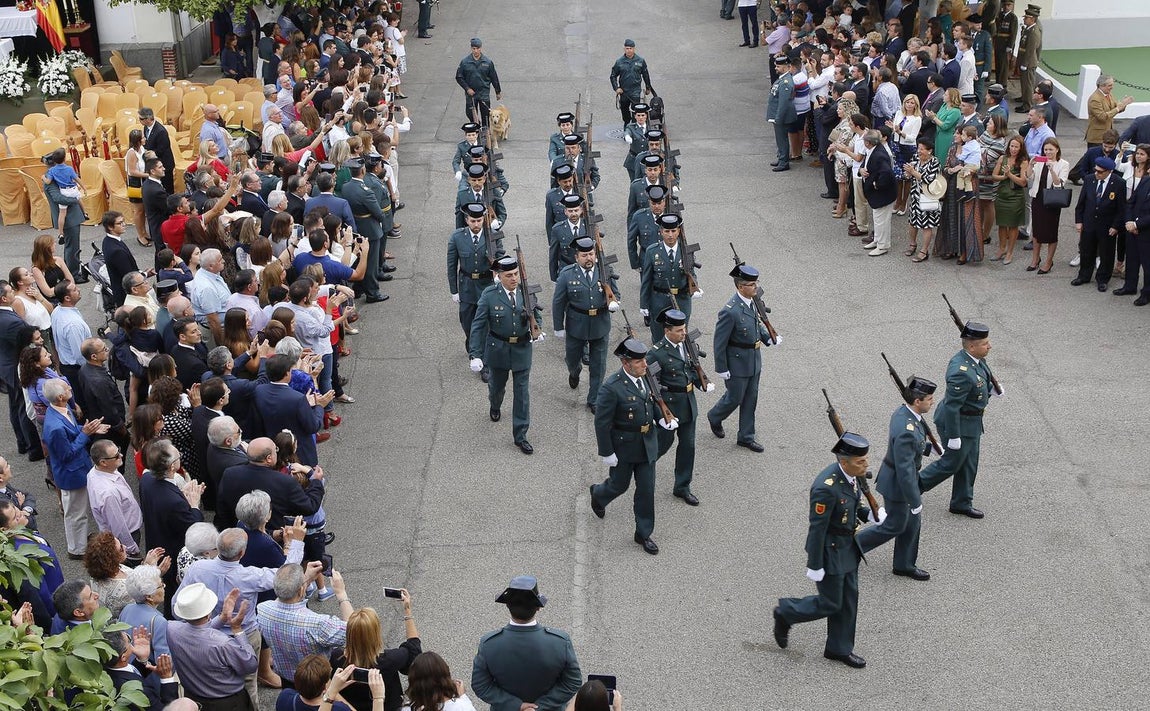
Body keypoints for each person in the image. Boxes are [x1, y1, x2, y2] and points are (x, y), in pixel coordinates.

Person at [772, 432, 876, 668]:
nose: (866, 464)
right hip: (830, 552)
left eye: (865, 459)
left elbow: (852, 504)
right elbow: (817, 529)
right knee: (830, 603)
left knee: (849, 600)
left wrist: (868, 514)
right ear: (844, 462)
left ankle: (839, 648)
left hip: (849, 547)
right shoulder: (825, 488)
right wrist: (815, 564)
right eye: (860, 461)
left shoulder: (852, 475)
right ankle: (786, 612)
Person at [589, 338, 668, 555]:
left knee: (646, 490)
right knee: (619, 485)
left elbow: (652, 402)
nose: (644, 364)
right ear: (626, 363)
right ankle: (598, 494)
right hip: (624, 447)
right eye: (639, 362)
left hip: (647, 443)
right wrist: (607, 452)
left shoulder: (646, 377)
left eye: (644, 360)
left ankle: (643, 533)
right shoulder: (612, 388)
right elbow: (602, 422)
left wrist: (662, 419)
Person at [856, 377, 937, 581]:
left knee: (911, 524)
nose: (932, 401)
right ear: (917, 401)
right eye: (929, 399)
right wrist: (914, 500)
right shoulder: (907, 429)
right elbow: (905, 469)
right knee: (894, 525)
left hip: (901, 479)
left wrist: (929, 448)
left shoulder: (904, 413)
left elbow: (909, 447)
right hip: (899, 484)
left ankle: (904, 564)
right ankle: (850, 547)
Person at [919, 321, 999, 519]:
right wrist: (954, 437)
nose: (989, 346)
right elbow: (952, 407)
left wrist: (991, 389)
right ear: (971, 346)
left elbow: (982, 379)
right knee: (951, 463)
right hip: (957, 423)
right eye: (985, 343)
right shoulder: (961, 371)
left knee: (969, 463)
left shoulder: (976, 360)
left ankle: (961, 502)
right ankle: (909, 489)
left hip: (971, 424)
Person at [471, 576, 582, 711]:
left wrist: (517, 705)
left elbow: (481, 685)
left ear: (507, 605)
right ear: (538, 607)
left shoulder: (489, 644)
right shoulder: (560, 642)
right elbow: (572, 682)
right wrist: (539, 706)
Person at [468, 256, 543, 456]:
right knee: (496, 388)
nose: (514, 278)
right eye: (509, 275)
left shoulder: (526, 291)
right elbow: (478, 325)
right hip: (498, 350)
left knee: (522, 394)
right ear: (499, 276)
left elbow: (536, 314)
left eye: (516, 274)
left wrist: (538, 330)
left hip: (522, 349)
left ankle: (521, 435)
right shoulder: (490, 295)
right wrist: (475, 354)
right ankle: (495, 404)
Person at [706, 264, 776, 454]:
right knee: (735, 398)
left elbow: (755, 324)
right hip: (736, 363)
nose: (756, 287)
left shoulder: (752, 302)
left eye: (756, 283)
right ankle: (714, 416)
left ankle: (746, 437)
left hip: (754, 360)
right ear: (740, 286)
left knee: (751, 399)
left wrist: (768, 337)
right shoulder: (730, 311)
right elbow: (719, 342)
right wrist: (721, 367)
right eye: (752, 284)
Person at [647, 307, 712, 506]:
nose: (684, 333)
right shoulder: (656, 353)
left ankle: (682, 486)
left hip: (688, 404)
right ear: (667, 331)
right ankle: (641, 467)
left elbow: (691, 369)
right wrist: (659, 414)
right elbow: (650, 385)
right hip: (670, 408)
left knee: (688, 447)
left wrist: (702, 382)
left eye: (684, 329)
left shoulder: (687, 346)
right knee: (661, 445)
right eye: (679, 330)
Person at [42, 377, 109, 558]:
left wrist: (89, 429)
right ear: (60, 397)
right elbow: (67, 454)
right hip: (71, 475)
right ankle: (77, 550)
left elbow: (71, 431)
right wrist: (85, 434)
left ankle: (79, 542)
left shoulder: (60, 410)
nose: (70, 388)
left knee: (78, 512)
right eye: (67, 388)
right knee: (76, 514)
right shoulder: (55, 427)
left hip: (78, 468)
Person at [258, 564, 352, 686]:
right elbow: (353, 631)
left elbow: (283, 598)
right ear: (302, 590)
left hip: (286, 679)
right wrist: (341, 593)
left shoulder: (262, 610)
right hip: (316, 682)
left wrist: (306, 579)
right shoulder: (318, 624)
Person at [553, 238, 618, 412]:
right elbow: (558, 302)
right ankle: (574, 372)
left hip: (600, 324)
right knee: (572, 359)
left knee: (599, 366)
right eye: (584, 255)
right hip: (577, 325)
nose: (588, 258)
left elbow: (615, 293)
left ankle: (594, 399)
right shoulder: (567, 274)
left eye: (591, 254)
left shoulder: (605, 270)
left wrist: (614, 302)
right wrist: (558, 327)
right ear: (576, 257)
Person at [169, 583, 258, 709]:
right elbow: (250, 665)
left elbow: (197, 630)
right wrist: (238, 630)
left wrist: (222, 617)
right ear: (208, 613)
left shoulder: (171, 630)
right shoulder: (223, 643)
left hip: (192, 700)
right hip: (228, 704)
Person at [139, 439, 205, 598]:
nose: (180, 456)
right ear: (172, 467)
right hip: (173, 550)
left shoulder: (146, 479)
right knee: (175, 591)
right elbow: (193, 525)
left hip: (156, 538)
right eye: (178, 456)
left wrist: (182, 494)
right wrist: (194, 504)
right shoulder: (174, 502)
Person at [215, 435, 325, 531]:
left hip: (240, 530)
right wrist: (316, 481)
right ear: (269, 458)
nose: (277, 452)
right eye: (275, 450)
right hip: (274, 533)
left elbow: (222, 506)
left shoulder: (230, 473)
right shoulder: (285, 482)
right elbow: (309, 507)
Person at [331, 597, 422, 711]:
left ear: (348, 632)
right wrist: (407, 611)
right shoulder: (391, 660)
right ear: (376, 633)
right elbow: (414, 649)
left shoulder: (335, 657)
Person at [1, 282, 47, 459]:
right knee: (24, 406)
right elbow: (25, 344)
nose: (14, 292)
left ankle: (22, 442)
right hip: (15, 366)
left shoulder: (6, 314)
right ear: (4, 299)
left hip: (6, 365)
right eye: (10, 291)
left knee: (15, 405)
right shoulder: (11, 322)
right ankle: (33, 448)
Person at [1073, 156, 1126, 290]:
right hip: (1089, 222)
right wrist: (1079, 221)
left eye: (1100, 172)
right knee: (1086, 251)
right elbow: (1081, 203)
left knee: (1106, 253)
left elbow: (1121, 208)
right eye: (1095, 170)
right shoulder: (1089, 179)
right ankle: (1084, 275)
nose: (1097, 173)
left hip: (1107, 225)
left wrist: (1115, 226)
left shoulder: (1119, 183)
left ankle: (1103, 279)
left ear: (1109, 171)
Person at [87, 438, 142, 560]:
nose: (121, 455)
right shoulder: (109, 494)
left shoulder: (95, 472)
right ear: (103, 462)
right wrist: (131, 549)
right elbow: (118, 526)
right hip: (129, 534)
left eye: (119, 451)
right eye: (116, 456)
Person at [103, 625, 179, 708]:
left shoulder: (102, 673)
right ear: (123, 657)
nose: (132, 644)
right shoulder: (140, 693)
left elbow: (126, 675)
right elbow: (169, 709)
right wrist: (167, 679)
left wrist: (142, 660)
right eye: (129, 641)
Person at [1027, 137, 1069, 273]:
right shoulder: (1040, 161)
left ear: (1057, 150)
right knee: (1037, 231)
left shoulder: (1063, 164)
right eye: (1045, 149)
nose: (1048, 152)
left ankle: (1049, 261)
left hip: (1052, 201)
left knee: (1051, 232)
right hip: (1038, 198)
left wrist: (1052, 170)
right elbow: (1029, 177)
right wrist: (1030, 165)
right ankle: (1035, 259)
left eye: (1051, 149)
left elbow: (1059, 184)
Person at [1117, 143, 1150, 303]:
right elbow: (1131, 202)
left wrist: (1137, 225)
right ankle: (1129, 286)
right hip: (1132, 227)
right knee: (1131, 258)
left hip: (1146, 230)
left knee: (1147, 263)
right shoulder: (1145, 181)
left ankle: (1147, 293)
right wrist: (1129, 221)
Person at [274, 656, 371, 711]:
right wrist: (333, 691)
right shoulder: (339, 708)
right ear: (325, 687)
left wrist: (332, 689)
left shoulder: (285, 697)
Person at [119, 564, 171, 662]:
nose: (164, 587)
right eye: (161, 585)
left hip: (127, 666)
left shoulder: (127, 609)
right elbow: (164, 662)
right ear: (149, 597)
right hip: (146, 670)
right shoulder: (159, 621)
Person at [904, 137, 943, 262]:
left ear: (929, 151)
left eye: (922, 149)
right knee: (912, 222)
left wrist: (913, 172)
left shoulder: (935, 162)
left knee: (927, 225)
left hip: (928, 196)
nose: (919, 151)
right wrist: (908, 173)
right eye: (918, 148)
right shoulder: (915, 158)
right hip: (915, 195)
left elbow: (929, 180)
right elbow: (908, 176)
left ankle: (924, 251)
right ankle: (912, 244)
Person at [860, 129, 897, 256]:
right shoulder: (873, 150)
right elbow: (865, 163)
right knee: (877, 219)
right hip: (877, 194)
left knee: (882, 221)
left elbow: (887, 173)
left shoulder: (879, 155)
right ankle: (877, 240)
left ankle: (883, 246)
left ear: (868, 143)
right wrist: (861, 170)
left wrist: (877, 185)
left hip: (883, 195)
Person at [456, 38, 501, 126]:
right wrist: (467, 88)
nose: (476, 51)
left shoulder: (487, 62)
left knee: (486, 115)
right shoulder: (465, 62)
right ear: (471, 48)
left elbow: (494, 78)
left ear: (481, 48)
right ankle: (476, 126)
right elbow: (459, 77)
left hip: (483, 92)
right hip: (471, 94)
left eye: (477, 48)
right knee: (470, 114)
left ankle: (485, 130)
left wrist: (498, 92)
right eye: (474, 48)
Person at [609, 39, 654, 125]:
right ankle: (626, 124)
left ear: (634, 49)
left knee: (636, 111)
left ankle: (634, 126)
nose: (629, 50)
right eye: (627, 48)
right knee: (624, 110)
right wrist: (616, 88)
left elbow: (646, 75)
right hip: (624, 92)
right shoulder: (619, 62)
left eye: (630, 48)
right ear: (624, 49)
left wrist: (648, 87)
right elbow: (613, 76)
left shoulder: (640, 61)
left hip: (635, 91)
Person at [766, 56, 797, 173]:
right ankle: (781, 157)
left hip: (781, 116)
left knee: (782, 139)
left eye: (778, 66)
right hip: (778, 115)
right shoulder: (782, 79)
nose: (776, 68)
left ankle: (784, 162)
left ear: (786, 67)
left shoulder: (785, 82)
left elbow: (783, 103)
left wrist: (778, 117)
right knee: (780, 139)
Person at [141, 107, 175, 195]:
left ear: (148, 119)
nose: (139, 121)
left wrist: (154, 153)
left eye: (141, 119)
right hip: (155, 163)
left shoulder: (160, 131)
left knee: (167, 190)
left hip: (164, 163)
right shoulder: (146, 127)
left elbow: (163, 148)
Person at [1016, 6, 1041, 112]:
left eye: (1026, 18)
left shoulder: (1034, 32)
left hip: (1028, 62)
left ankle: (1027, 105)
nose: (1024, 19)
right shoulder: (1028, 29)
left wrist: (1025, 63)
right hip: (1024, 60)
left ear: (1032, 19)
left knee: (1028, 84)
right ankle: (1024, 98)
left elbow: (1031, 50)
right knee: (1024, 83)